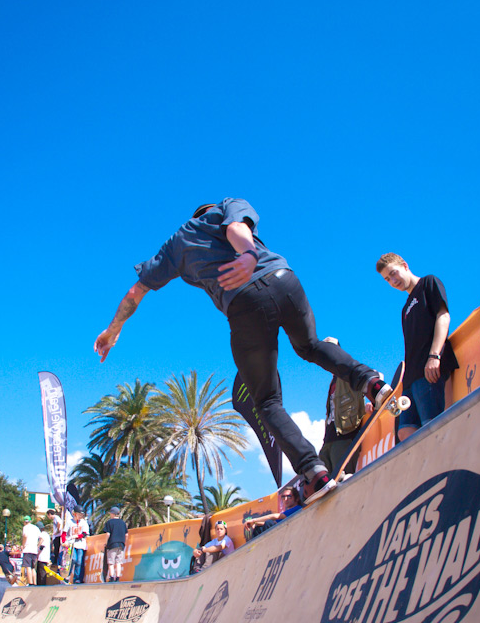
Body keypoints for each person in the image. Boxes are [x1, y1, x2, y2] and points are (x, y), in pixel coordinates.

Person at [94, 198, 392, 504]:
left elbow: (136, 291)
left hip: (245, 303)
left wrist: (113, 330)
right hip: (284, 280)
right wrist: (250, 252)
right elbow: (236, 226)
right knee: (311, 346)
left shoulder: (176, 244)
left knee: (267, 401)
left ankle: (314, 473)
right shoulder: (229, 204)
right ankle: (373, 384)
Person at [376, 253, 459, 441]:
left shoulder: (428, 283)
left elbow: (443, 316)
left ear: (405, 265)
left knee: (432, 428)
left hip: (429, 371)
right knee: (404, 432)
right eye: (387, 279)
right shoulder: (405, 309)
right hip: (410, 379)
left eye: (393, 273)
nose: (393, 281)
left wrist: (434, 356)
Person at [319, 338, 370, 480]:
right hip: (328, 439)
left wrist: (372, 402)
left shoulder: (348, 371)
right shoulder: (333, 381)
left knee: (343, 480)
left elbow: (374, 376)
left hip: (345, 436)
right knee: (323, 483)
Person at [102, 506, 128, 582]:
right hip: (121, 545)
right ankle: (118, 577)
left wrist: (105, 543)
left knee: (111, 562)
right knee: (118, 562)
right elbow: (126, 535)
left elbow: (108, 534)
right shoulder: (123, 523)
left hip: (112, 544)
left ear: (113, 514)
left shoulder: (109, 522)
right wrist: (124, 543)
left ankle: (112, 577)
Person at [69, 508, 89, 585]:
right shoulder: (70, 522)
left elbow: (85, 533)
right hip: (72, 544)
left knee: (79, 562)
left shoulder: (84, 523)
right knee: (73, 559)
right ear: (75, 514)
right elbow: (65, 533)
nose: (80, 516)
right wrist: (64, 541)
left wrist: (77, 536)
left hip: (81, 545)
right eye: (79, 515)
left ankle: (77, 578)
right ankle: (68, 575)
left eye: (81, 515)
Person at [21, 516, 40, 586]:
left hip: (27, 549)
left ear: (24, 522)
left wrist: (23, 545)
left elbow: (25, 536)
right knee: (33, 567)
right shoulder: (36, 528)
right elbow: (41, 538)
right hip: (34, 549)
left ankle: (30, 582)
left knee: (28, 566)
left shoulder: (25, 527)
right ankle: (35, 582)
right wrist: (37, 545)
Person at [36, 520, 51, 586]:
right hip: (45, 556)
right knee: (41, 572)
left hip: (42, 557)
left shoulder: (42, 535)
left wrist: (37, 554)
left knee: (41, 573)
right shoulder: (47, 534)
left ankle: (42, 585)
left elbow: (42, 546)